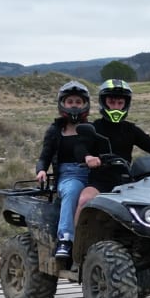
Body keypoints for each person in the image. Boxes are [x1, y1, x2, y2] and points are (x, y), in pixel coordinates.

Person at [75, 79, 150, 219]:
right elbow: (80, 147)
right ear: (103, 102)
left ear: (126, 104)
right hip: (100, 182)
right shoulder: (95, 127)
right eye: (112, 102)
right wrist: (88, 157)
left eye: (120, 103)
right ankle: (73, 239)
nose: (116, 107)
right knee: (85, 200)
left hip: (128, 182)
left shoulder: (130, 129)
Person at [35, 80, 93, 259]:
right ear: (62, 104)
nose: (74, 106)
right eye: (70, 102)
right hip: (68, 175)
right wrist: (41, 170)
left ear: (85, 104)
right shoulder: (55, 130)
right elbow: (45, 155)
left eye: (78, 102)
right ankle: (65, 240)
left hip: (94, 174)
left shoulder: (92, 128)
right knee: (72, 190)